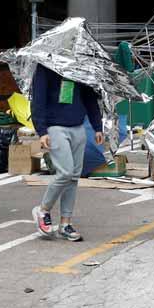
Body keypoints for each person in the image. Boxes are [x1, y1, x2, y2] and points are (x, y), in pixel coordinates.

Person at [30, 43, 104, 243]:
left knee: (73, 178)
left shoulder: (80, 65)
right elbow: (38, 99)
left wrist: (97, 126)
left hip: (78, 127)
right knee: (65, 172)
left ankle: (65, 223)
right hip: (55, 128)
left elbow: (89, 97)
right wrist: (42, 130)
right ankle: (43, 210)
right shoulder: (46, 65)